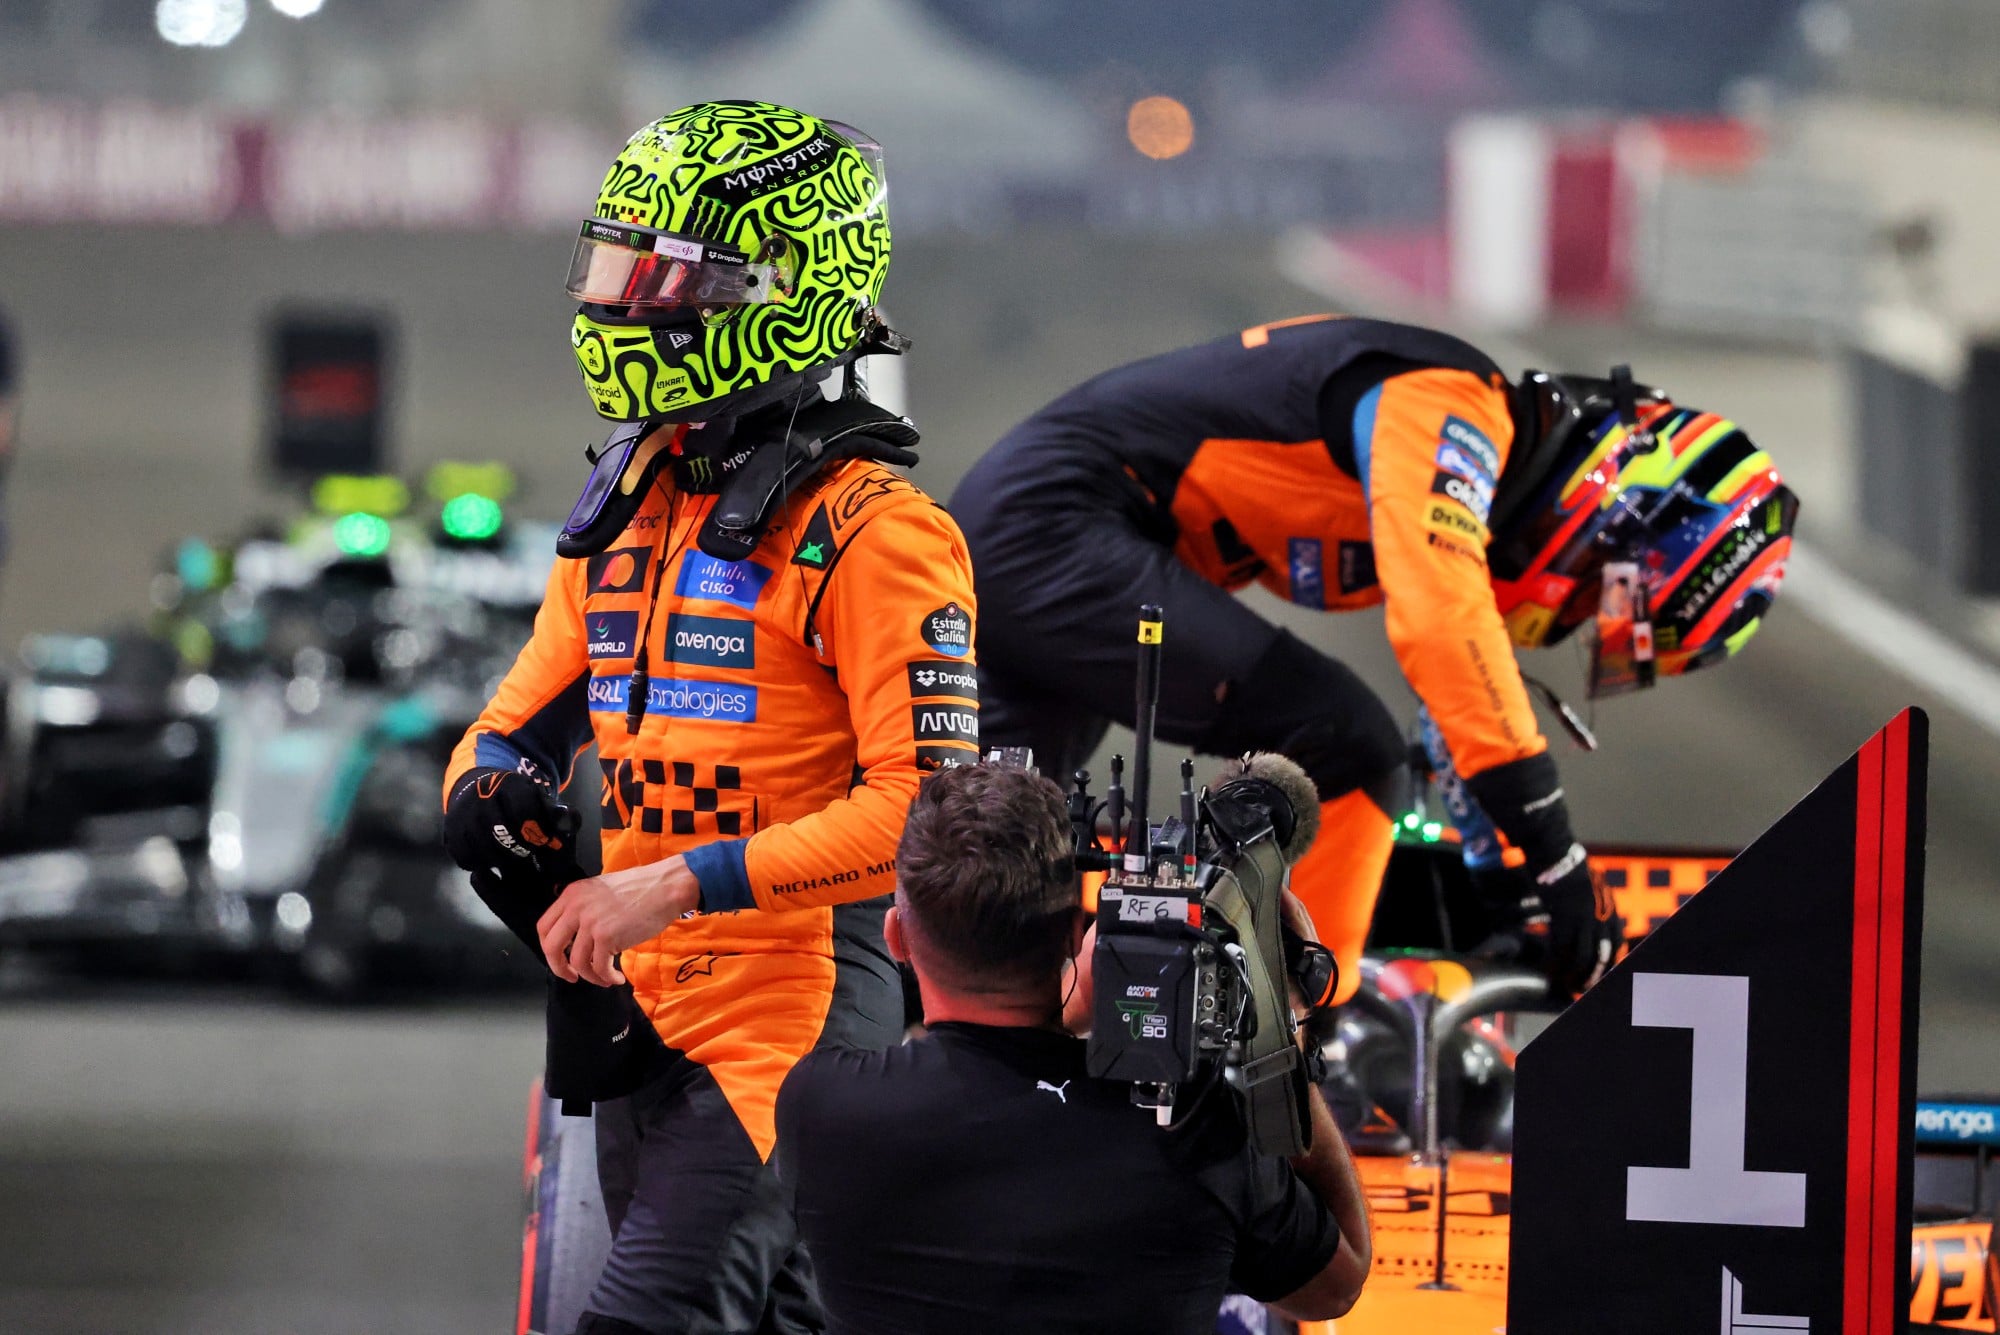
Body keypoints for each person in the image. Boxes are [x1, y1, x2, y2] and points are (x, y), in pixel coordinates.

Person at [441, 101, 980, 1335]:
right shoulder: (628, 503)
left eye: (673, 279)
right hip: (636, 1023)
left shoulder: (880, 534)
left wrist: (675, 883)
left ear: (792, 284)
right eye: (619, 270)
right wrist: (486, 797)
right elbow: (508, 728)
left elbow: (924, 819)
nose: (628, 306)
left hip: (788, 1021)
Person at [951, 314, 1797, 1007]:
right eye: (1604, 596)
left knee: (994, 880)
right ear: (1621, 506)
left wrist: (1504, 886)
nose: (1576, 613)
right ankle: (1297, 1028)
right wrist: (1555, 852)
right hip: (1058, 522)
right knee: (1348, 746)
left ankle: (983, 1055)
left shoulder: (1473, 467)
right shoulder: (1450, 404)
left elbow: (1454, 703)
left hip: (1050, 528)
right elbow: (1440, 624)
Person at [775, 762, 1372, 1335]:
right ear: (1073, 935)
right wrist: (1284, 1025)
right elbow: (1335, 1286)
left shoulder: (819, 1106)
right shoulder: (1194, 1125)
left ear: (898, 938)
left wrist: (1065, 1017)